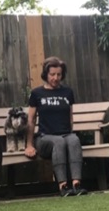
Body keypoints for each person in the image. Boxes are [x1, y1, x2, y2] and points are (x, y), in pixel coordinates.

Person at [24, 56, 88, 197]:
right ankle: (63, 186)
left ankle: (76, 185)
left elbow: (70, 117)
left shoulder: (67, 93)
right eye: (52, 74)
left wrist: (70, 134)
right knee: (58, 142)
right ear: (46, 74)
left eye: (59, 74)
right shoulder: (37, 93)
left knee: (74, 140)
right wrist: (29, 144)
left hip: (65, 135)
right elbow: (31, 120)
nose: (55, 78)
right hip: (44, 138)